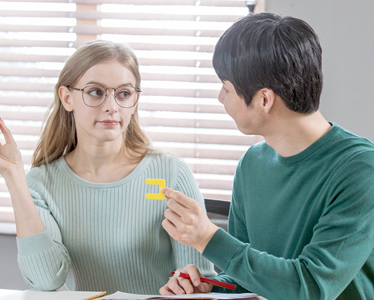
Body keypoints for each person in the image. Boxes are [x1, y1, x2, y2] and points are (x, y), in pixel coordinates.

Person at [159, 12, 374, 300]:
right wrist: (213, 287)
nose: (220, 99)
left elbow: (311, 287)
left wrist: (208, 237)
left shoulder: (361, 170)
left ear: (264, 100)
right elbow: (249, 275)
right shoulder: (252, 164)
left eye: (226, 88)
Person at [0, 40, 216, 294]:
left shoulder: (171, 173)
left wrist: (187, 286)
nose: (112, 106)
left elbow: (202, 280)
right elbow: (47, 280)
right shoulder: (41, 182)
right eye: (96, 92)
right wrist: (14, 178)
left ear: (135, 100)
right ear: (67, 98)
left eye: (123, 93)